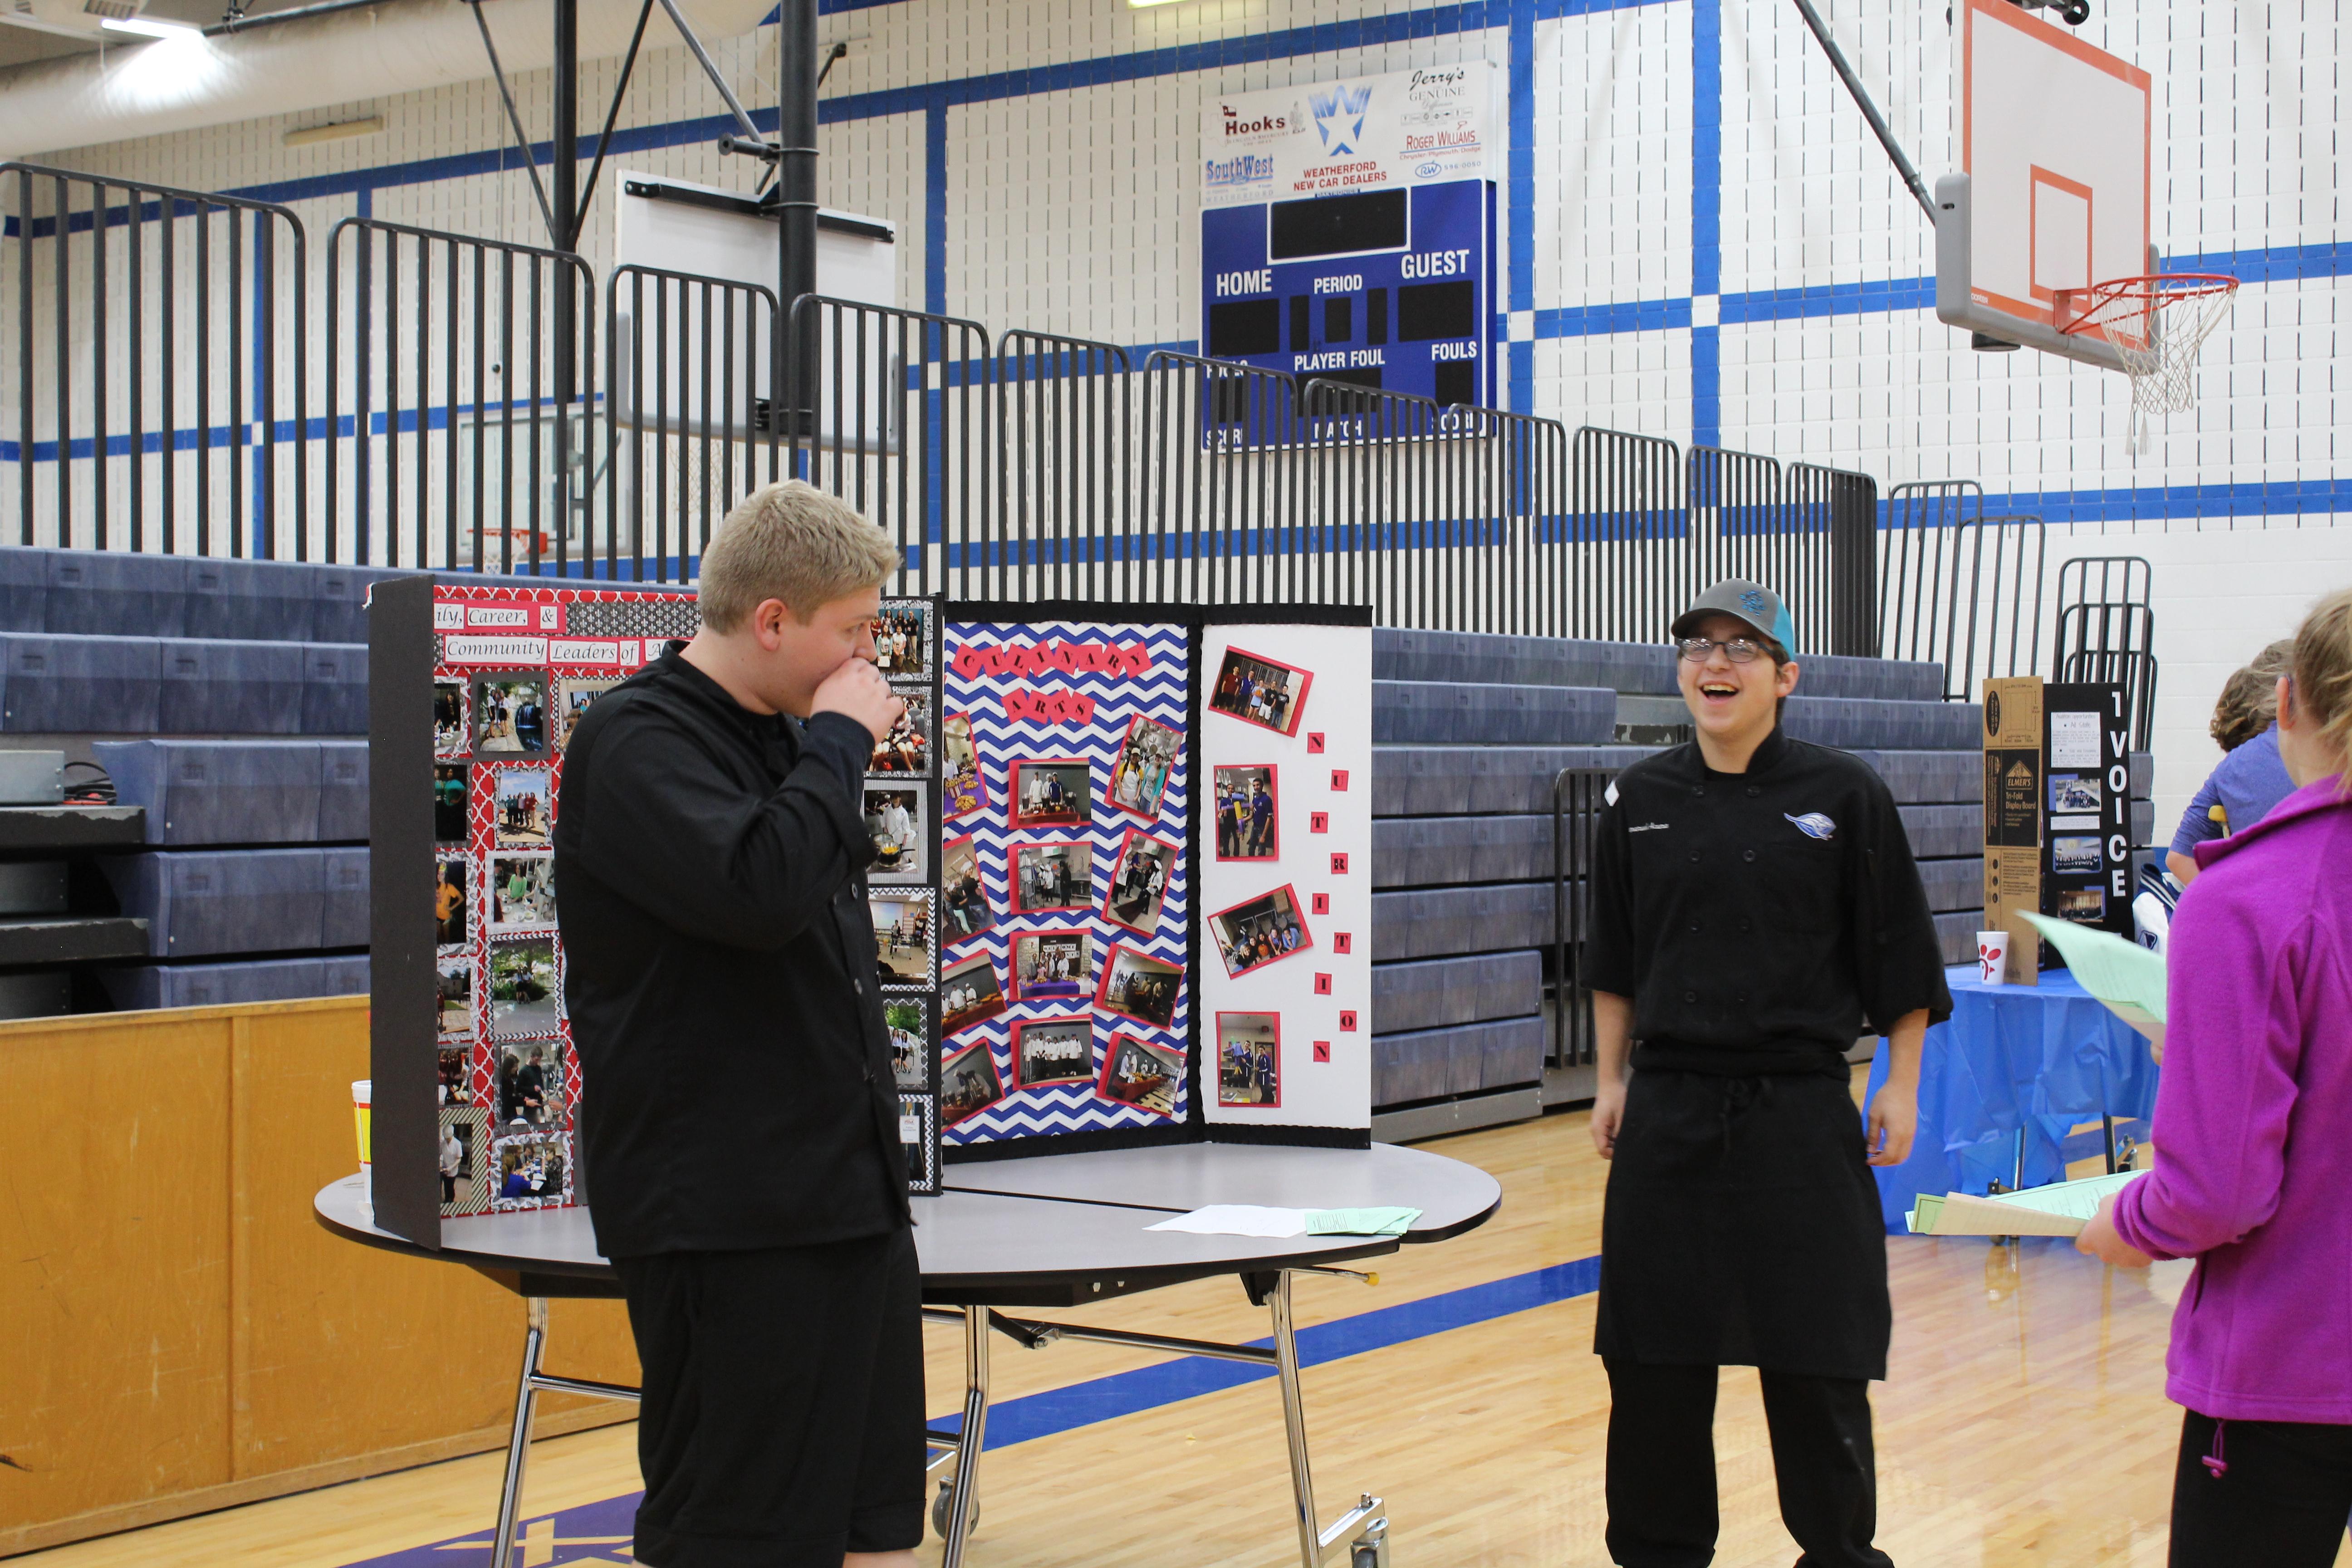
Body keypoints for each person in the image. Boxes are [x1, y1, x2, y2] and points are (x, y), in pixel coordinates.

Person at [554, 479, 921, 1568]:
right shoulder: (637, 741)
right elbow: (758, 893)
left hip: (841, 1198)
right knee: (742, 1535)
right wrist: (841, 742)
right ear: (771, 620)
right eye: (852, 631)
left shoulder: (786, 736)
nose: (869, 659)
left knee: (870, 1523)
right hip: (730, 1215)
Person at [1584, 578, 1949, 1568]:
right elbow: (1613, 959)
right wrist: (1611, 1079)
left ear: (1786, 677)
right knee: (1652, 1365)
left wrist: (1900, 1082)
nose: (1715, 664)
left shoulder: (1846, 794)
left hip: (1798, 1112)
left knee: (1818, 1360)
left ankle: (1838, 1554)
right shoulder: (1637, 800)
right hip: (1668, 1113)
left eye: (1741, 648)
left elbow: (1899, 955)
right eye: (1697, 646)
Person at [2075, 589, 2352, 1568]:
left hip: (2294, 1367)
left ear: (2284, 704)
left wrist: (2126, 1224)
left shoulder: (2247, 898)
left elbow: (2217, 1191)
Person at [2166, 638, 2299, 887]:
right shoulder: (2327, 749)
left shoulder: (2232, 766)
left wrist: (2232, 902)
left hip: (2260, 902)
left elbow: (2179, 858)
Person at [439, 1127, 463, 1204]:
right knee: (446, 1186)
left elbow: (459, 1159)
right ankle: (447, 1199)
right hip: (445, 1168)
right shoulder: (443, 1143)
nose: (447, 1140)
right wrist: (441, 1164)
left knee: (451, 1186)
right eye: (446, 1138)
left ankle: (451, 1200)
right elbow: (441, 1155)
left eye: (448, 1138)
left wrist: (451, 1168)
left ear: (452, 1135)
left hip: (453, 1169)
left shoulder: (457, 1143)